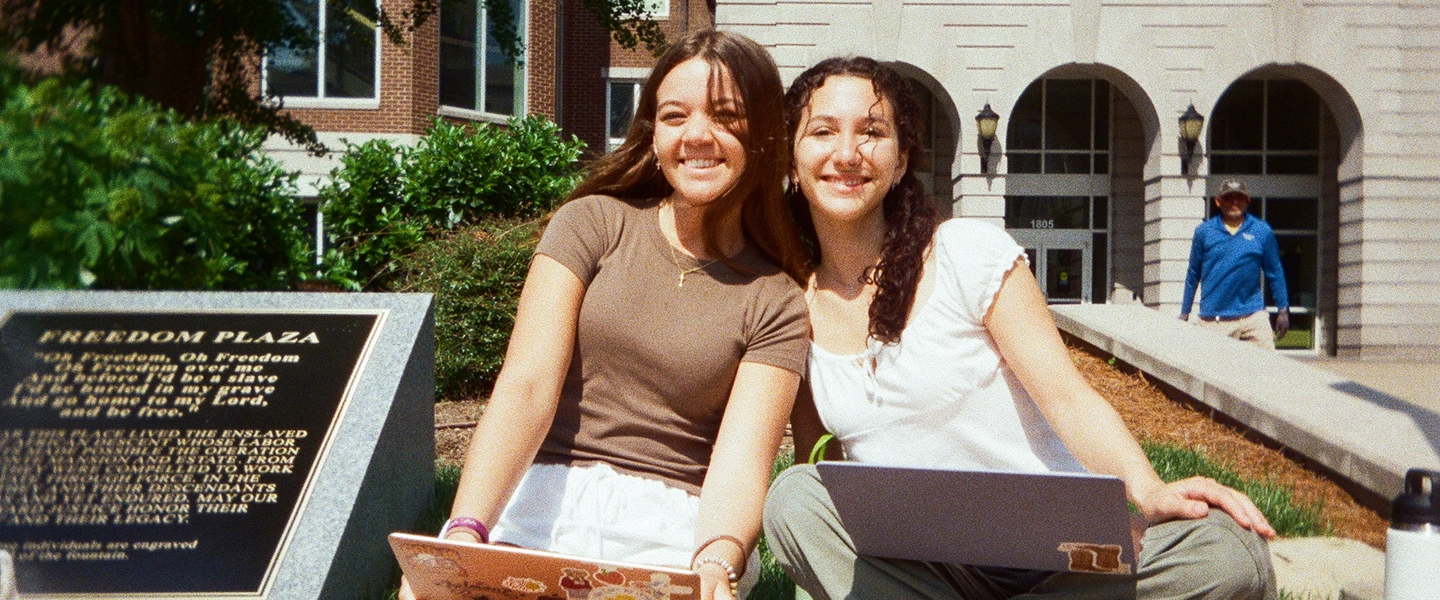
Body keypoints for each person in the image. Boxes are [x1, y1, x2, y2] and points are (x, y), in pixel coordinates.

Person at [761, 56, 1278, 600]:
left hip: (1060, 560)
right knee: (795, 497)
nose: (847, 154)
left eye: (872, 132)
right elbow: (823, 464)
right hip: (925, 571)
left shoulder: (965, 253)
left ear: (900, 160)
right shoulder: (793, 306)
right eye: (823, 132)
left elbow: (1067, 397)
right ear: (792, 160)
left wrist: (1148, 492)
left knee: (1231, 553)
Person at [400, 29, 809, 600]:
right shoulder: (592, 223)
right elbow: (526, 387)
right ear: (652, 132)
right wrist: (465, 530)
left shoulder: (778, 299)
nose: (697, 136)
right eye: (674, 116)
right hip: (543, 502)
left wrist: (718, 560)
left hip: (675, 527)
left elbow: (741, 461)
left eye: (726, 115)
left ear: (765, 134)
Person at [1179, 179, 1290, 349]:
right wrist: (1184, 312)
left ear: (1248, 201)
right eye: (1229, 198)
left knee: (1267, 370)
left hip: (1252, 318)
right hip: (1213, 321)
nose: (1234, 203)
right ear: (1218, 201)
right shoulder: (1204, 232)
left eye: (1239, 198)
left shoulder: (1261, 231)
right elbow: (1193, 274)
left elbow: (1275, 272)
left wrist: (1283, 309)